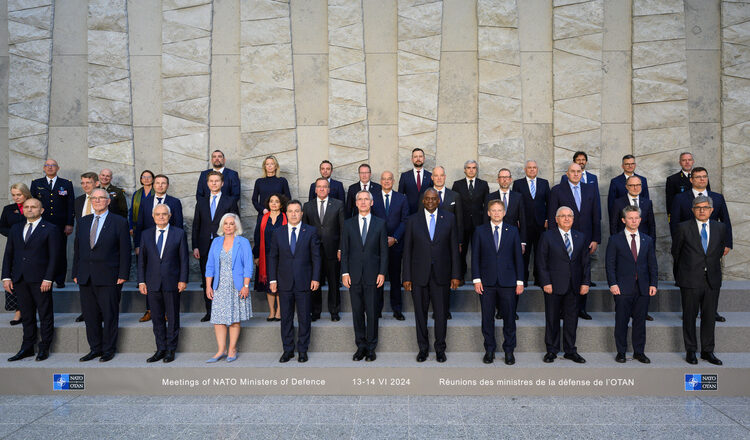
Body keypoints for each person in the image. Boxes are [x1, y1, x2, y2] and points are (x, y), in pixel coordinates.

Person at [402, 188, 460, 363]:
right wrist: (406, 277)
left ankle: (440, 349)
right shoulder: (413, 220)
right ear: (423, 200)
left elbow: (454, 249)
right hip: (418, 275)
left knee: (441, 314)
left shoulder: (449, 218)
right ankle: (423, 349)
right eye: (427, 198)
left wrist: (455, 275)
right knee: (420, 314)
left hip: (442, 275)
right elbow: (407, 250)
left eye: (433, 199)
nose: (430, 201)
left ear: (438, 201)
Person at [73, 188, 131, 362]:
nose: (97, 201)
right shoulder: (83, 222)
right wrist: (75, 272)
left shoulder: (119, 222)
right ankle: (95, 348)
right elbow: (78, 249)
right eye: (94, 198)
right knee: (90, 315)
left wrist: (123, 273)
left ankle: (108, 349)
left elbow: (125, 250)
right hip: (86, 276)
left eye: (101, 198)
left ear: (108, 201)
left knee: (109, 314)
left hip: (110, 276)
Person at [669, 167, 732, 322]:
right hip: (689, 248)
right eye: (698, 177)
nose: (702, 179)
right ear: (691, 180)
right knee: (690, 281)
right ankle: (690, 311)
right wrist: (678, 246)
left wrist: (727, 243)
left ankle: (712, 312)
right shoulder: (680, 198)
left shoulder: (717, 197)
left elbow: (725, 221)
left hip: (711, 247)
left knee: (712, 278)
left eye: (704, 176)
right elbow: (674, 223)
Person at [672, 196, 727, 366]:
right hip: (690, 279)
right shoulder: (683, 227)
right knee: (689, 316)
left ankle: (707, 351)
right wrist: (681, 276)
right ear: (693, 210)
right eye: (698, 207)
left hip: (712, 279)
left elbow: (718, 252)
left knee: (709, 317)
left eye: (705, 207)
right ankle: (691, 350)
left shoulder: (720, 227)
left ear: (711, 210)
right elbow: (676, 253)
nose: (702, 210)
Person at [2, 198, 60, 361]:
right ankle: (27, 346)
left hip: (41, 279)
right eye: (26, 207)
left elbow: (55, 257)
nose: (29, 209)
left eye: (33, 207)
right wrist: (6, 276)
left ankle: (44, 347)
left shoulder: (50, 229)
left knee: (45, 314)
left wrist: (48, 278)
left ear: (41, 210)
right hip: (20, 278)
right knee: (27, 315)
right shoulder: (16, 228)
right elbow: (8, 254)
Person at [268, 200, 321, 363]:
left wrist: (315, 278)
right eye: (290, 211)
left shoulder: (310, 231)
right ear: (286, 213)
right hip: (284, 282)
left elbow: (316, 257)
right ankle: (288, 350)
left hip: (304, 281)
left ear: (301, 214)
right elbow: (273, 257)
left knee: (304, 318)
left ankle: (303, 350)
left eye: (297, 211)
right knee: (286, 318)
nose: (293, 214)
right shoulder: (278, 232)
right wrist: (272, 279)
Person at [472, 200, 524, 365]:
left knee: (509, 318)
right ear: (488, 213)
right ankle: (489, 350)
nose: (496, 213)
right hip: (486, 282)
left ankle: (509, 351)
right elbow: (475, 256)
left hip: (508, 281)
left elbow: (518, 257)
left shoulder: (513, 231)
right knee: (487, 318)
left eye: (499, 210)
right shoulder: (480, 231)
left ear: (504, 213)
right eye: (493, 210)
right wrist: (476, 279)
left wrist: (520, 281)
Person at [537, 206, 590, 364]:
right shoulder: (547, 236)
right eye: (563, 216)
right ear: (556, 219)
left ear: (573, 219)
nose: (566, 219)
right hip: (553, 285)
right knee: (552, 318)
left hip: (574, 285)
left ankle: (570, 350)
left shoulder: (580, 236)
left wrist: (585, 282)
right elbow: (541, 262)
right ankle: (551, 350)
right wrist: (546, 282)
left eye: (569, 216)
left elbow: (585, 263)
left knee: (572, 319)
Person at [137, 204, 189, 364]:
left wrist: (183, 279)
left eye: (164, 214)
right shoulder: (146, 234)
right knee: (157, 317)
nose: (161, 217)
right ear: (153, 216)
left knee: (172, 317)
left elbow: (184, 259)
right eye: (158, 214)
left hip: (172, 281)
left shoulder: (179, 233)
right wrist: (141, 281)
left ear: (169, 216)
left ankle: (171, 349)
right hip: (152, 282)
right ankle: (160, 348)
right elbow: (141, 261)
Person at [606, 205, 658, 364]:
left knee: (640, 322)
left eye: (636, 218)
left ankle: (639, 352)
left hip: (643, 287)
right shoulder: (615, 239)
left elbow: (652, 264)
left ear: (640, 220)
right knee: (621, 321)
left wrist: (653, 284)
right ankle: (621, 352)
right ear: (624, 220)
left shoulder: (647, 240)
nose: (634, 221)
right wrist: (613, 283)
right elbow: (610, 264)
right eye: (630, 218)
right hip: (622, 287)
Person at [548, 162, 601, 320]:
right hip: (563, 239)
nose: (576, 174)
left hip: (585, 239)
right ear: (567, 174)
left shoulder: (590, 189)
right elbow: (552, 215)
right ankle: (562, 310)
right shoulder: (557, 190)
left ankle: (581, 309)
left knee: (583, 273)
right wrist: (553, 239)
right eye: (573, 171)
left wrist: (595, 239)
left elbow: (596, 215)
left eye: (579, 171)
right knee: (563, 272)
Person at [341, 191, 388, 361]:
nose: (363, 202)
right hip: (353, 276)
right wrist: (345, 272)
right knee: (357, 312)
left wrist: (382, 272)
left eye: (366, 199)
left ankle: (371, 347)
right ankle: (360, 346)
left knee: (372, 312)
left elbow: (384, 252)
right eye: (359, 199)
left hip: (373, 275)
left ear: (371, 202)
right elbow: (345, 251)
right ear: (356, 203)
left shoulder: (380, 224)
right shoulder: (348, 224)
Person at [204, 213, 253, 363]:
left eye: (232, 223)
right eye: (226, 223)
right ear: (222, 225)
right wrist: (208, 286)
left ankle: (232, 349)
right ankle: (221, 350)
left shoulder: (243, 242)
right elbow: (210, 265)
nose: (228, 226)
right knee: (218, 319)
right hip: (219, 286)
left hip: (237, 286)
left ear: (236, 226)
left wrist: (245, 286)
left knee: (234, 319)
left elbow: (248, 266)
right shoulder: (216, 241)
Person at [192, 171, 240, 322]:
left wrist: (234, 245)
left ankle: (225, 310)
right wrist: (195, 246)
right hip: (204, 245)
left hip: (225, 244)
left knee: (225, 278)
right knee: (207, 278)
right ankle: (210, 311)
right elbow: (196, 225)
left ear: (222, 183)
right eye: (211, 181)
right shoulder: (201, 202)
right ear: (207, 184)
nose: (214, 183)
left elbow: (235, 223)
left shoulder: (230, 201)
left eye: (217, 181)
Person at [302, 178, 345, 321]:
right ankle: (315, 312)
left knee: (334, 283)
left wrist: (341, 249)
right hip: (313, 252)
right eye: (319, 186)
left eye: (324, 186)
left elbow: (343, 229)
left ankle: (334, 311)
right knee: (315, 282)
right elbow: (304, 230)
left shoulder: (338, 204)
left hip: (333, 251)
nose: (321, 189)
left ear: (329, 189)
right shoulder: (307, 206)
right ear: (315, 189)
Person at [488, 168, 526, 320]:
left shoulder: (518, 197)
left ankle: (512, 309)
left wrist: (523, 241)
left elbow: (523, 220)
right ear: (498, 179)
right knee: (497, 275)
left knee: (512, 274)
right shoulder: (490, 197)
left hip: (513, 241)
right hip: (495, 242)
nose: (504, 180)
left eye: (507, 177)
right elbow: (485, 221)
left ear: (511, 180)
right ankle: (500, 309)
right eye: (501, 177)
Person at [31, 159, 75, 288]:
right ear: (44, 168)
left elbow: (70, 204)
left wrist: (69, 223)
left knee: (60, 251)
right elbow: (32, 203)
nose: (50, 167)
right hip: (41, 223)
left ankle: (60, 280)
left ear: (58, 168)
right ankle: (43, 277)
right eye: (47, 165)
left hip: (60, 224)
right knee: (41, 251)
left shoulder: (66, 183)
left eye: (53, 165)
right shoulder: (36, 183)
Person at [371, 171, 409, 320]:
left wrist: (395, 238)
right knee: (377, 278)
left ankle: (397, 309)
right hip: (377, 245)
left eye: (389, 179)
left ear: (393, 181)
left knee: (395, 278)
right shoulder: (372, 197)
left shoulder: (402, 198)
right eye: (384, 179)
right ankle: (377, 309)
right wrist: (379, 238)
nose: (386, 181)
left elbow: (405, 220)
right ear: (380, 181)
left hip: (395, 245)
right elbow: (370, 218)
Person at [512, 160, 550, 286]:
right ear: (525, 170)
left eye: (534, 167)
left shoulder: (544, 183)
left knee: (540, 253)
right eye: (529, 167)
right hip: (524, 224)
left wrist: (547, 219)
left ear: (537, 169)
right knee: (524, 253)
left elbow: (549, 202)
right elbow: (514, 203)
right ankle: (523, 279)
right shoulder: (518, 184)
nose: (532, 169)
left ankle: (539, 279)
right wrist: (517, 219)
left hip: (541, 224)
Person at [451, 160, 489, 282]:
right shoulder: (457, 184)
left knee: (479, 251)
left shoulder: (483, 184)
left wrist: (485, 225)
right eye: (468, 167)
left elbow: (487, 206)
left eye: (473, 167)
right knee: (461, 252)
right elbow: (454, 206)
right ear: (465, 170)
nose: (471, 170)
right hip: (462, 224)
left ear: (476, 170)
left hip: (479, 224)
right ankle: (460, 277)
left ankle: (479, 277)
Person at [0, 183, 32, 325]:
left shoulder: (33, 206)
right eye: (13, 195)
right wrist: (14, 234)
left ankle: (30, 310)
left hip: (33, 247)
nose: (16, 197)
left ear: (25, 194)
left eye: (19, 194)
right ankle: (18, 311)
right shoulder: (8, 209)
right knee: (14, 277)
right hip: (14, 247)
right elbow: (2, 227)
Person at [253, 194, 287, 321]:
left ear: (281, 204)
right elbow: (257, 237)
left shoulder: (286, 217)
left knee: (280, 283)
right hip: (265, 256)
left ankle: (279, 311)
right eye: (271, 201)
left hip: (282, 256)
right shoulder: (262, 218)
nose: (274, 203)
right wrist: (256, 255)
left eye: (277, 201)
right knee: (269, 284)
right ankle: (272, 311)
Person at [665, 151, 709, 217]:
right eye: (684, 160)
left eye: (689, 160)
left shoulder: (703, 177)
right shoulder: (672, 179)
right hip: (683, 217)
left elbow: (708, 195)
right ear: (680, 163)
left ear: (693, 161)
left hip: (702, 214)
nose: (687, 162)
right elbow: (670, 203)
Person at [607, 155, 650, 220]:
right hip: (623, 220)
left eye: (632, 164)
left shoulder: (643, 180)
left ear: (635, 165)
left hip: (641, 219)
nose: (630, 166)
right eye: (627, 164)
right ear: (622, 166)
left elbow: (646, 200)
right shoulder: (615, 182)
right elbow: (611, 204)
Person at [398, 148, 432, 215]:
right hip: (409, 214)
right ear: (412, 159)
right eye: (415, 157)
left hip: (427, 213)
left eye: (420, 156)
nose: (418, 159)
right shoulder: (404, 176)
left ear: (424, 158)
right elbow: (400, 196)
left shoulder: (430, 176)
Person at [129, 170, 154, 236]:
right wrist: (131, 227)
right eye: (144, 177)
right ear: (141, 179)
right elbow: (132, 211)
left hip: (153, 226)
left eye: (149, 177)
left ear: (153, 179)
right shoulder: (136, 194)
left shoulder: (157, 193)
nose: (146, 179)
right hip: (138, 226)